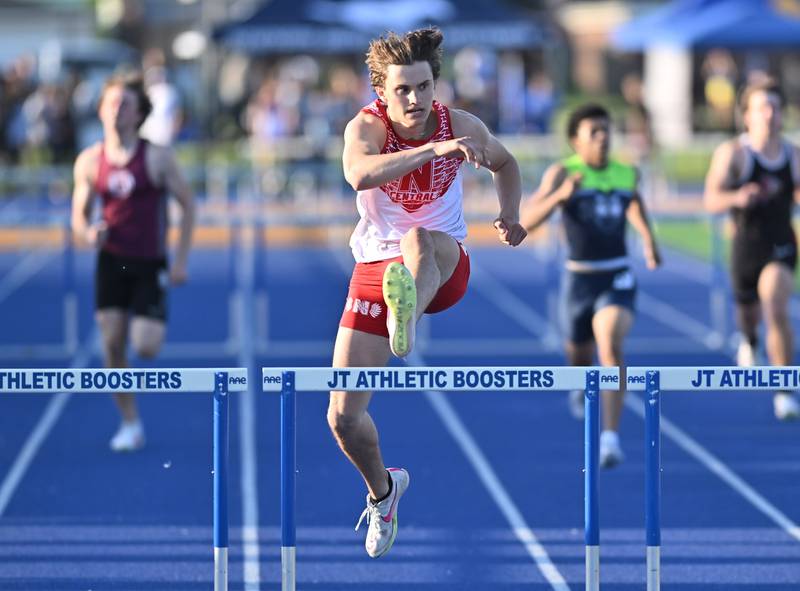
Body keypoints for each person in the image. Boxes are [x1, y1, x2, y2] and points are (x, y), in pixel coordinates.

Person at [328, 27, 527, 558]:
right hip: (375, 267)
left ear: (435, 84)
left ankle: (406, 314)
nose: (415, 100)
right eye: (402, 91)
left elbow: (505, 163)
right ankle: (383, 493)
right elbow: (358, 174)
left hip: (443, 264)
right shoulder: (366, 127)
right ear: (382, 92)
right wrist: (433, 152)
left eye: (422, 87)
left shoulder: (461, 124)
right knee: (343, 418)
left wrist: (509, 213)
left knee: (417, 238)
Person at [521, 103, 661, 468]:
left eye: (606, 131)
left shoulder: (625, 172)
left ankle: (610, 438)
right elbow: (528, 221)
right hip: (578, 278)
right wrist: (559, 196)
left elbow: (634, 205)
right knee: (580, 360)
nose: (602, 139)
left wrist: (647, 239)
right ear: (575, 141)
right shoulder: (562, 173)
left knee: (610, 343)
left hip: (616, 275)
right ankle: (580, 386)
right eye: (593, 133)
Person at [71, 72, 195, 451]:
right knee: (111, 342)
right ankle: (130, 422)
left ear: (138, 113)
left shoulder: (156, 157)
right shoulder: (90, 161)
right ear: (100, 109)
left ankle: (152, 309)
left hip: (149, 262)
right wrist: (88, 233)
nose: (116, 110)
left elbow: (188, 205)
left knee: (145, 347)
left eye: (124, 104)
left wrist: (180, 260)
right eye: (110, 103)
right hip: (112, 262)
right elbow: (78, 216)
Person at [704, 77, 800, 421]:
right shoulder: (734, 154)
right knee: (748, 313)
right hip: (746, 245)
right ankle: (749, 341)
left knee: (776, 305)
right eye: (763, 107)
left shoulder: (793, 155)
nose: (771, 114)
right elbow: (711, 199)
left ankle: (784, 390)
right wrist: (737, 197)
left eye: (776, 107)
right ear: (747, 115)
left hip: (781, 243)